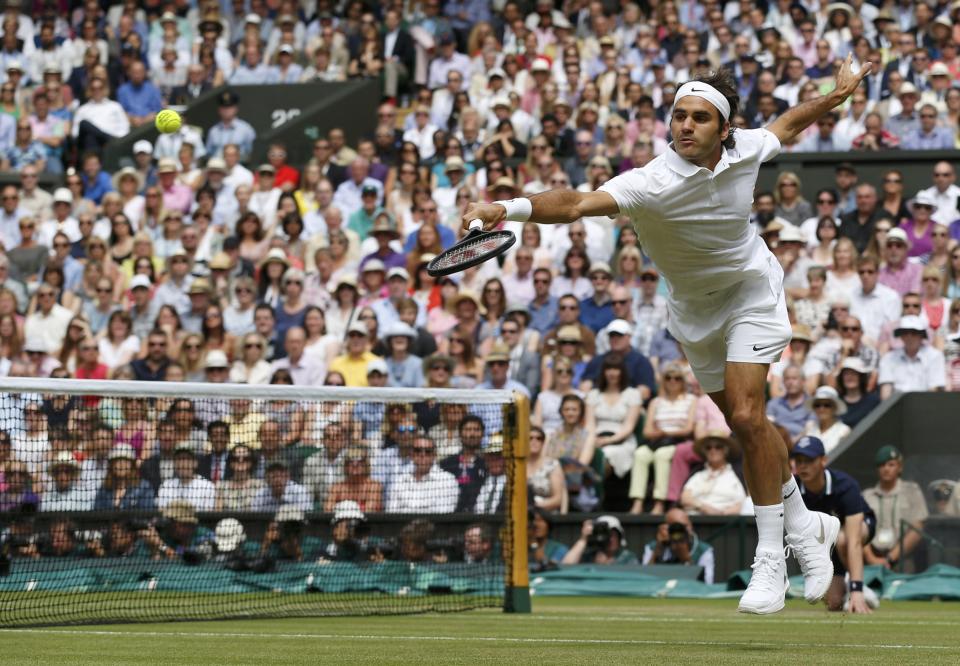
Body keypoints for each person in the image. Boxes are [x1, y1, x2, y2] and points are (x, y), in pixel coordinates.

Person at [464, 59, 870, 613]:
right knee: (745, 426)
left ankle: (772, 555)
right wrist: (507, 208)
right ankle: (805, 523)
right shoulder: (649, 181)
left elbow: (790, 123)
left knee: (750, 417)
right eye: (679, 115)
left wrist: (839, 93)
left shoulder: (747, 148)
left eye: (700, 118)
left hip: (751, 290)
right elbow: (577, 203)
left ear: (723, 129)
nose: (685, 126)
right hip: (693, 313)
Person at [792, 436, 877, 613]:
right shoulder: (792, 490)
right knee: (833, 603)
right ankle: (847, 585)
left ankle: (857, 586)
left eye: (809, 460)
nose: (803, 466)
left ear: (823, 460)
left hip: (856, 531)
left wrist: (856, 590)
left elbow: (854, 542)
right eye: (799, 460)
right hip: (827, 546)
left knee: (843, 538)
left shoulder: (845, 486)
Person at [863, 445, 928, 572]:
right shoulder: (866, 496)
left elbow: (918, 528)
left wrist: (891, 558)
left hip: (903, 560)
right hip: (871, 561)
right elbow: (858, 531)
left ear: (900, 467)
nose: (886, 469)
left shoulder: (912, 491)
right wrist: (871, 558)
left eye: (891, 464)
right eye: (882, 465)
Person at [386, 434, 459, 514]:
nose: (422, 454)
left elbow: (443, 514)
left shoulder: (447, 481)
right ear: (411, 455)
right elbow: (391, 514)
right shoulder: (399, 481)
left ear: (434, 455)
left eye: (427, 451)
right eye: (418, 450)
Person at [641, 508, 717, 584]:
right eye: (677, 527)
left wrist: (687, 560)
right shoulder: (652, 547)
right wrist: (657, 550)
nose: (684, 531)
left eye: (686, 526)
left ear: (691, 525)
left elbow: (707, 583)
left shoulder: (704, 550)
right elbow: (643, 580)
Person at [878, 315, 947, 398]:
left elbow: (935, 389)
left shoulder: (935, 356)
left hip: (926, 405)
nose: (909, 337)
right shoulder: (889, 358)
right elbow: (885, 393)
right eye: (905, 333)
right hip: (896, 407)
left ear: (921, 335)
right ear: (901, 336)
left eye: (914, 333)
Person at [680, 432, 745, 516]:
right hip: (696, 519)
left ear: (726, 450)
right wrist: (704, 507)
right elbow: (685, 499)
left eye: (718, 447)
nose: (713, 450)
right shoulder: (698, 475)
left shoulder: (736, 474)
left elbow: (743, 503)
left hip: (728, 522)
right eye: (708, 447)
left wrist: (721, 514)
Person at [561, 515, 638, 565]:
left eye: (613, 535)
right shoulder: (589, 556)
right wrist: (583, 539)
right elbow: (566, 567)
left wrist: (608, 566)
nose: (610, 539)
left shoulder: (628, 557)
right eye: (606, 535)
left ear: (620, 537)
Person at [801, 386, 851, 455]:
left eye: (827, 405)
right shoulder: (809, 426)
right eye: (817, 405)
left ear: (834, 408)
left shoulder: (844, 431)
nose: (821, 409)